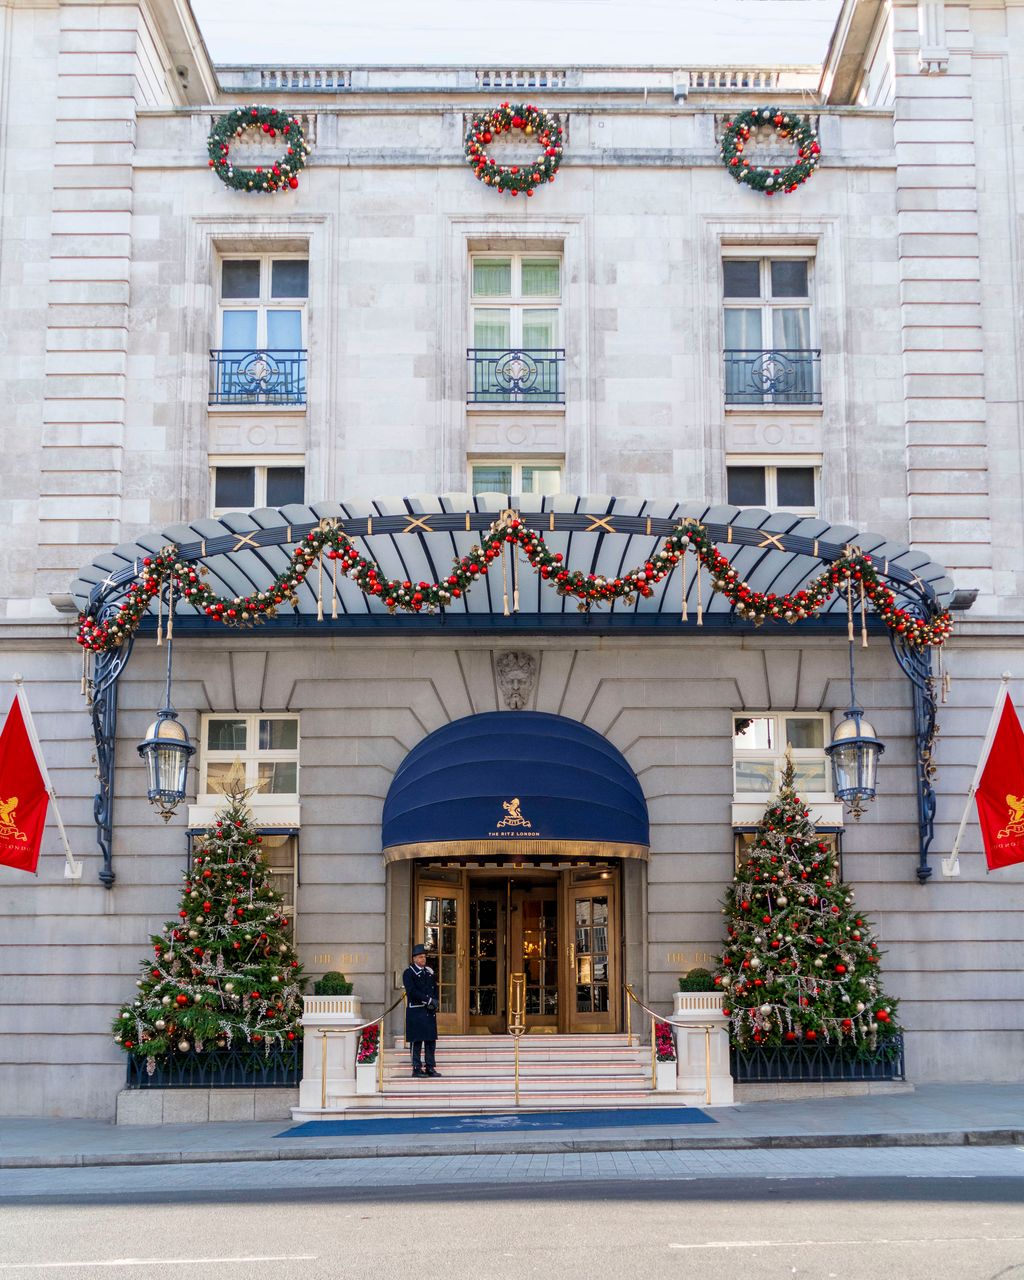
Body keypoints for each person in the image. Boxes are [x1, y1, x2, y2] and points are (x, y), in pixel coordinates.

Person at [403, 943, 441, 1077]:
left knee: (430, 1041)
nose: (423, 959)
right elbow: (412, 992)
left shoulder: (429, 972)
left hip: (428, 1011)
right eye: (420, 957)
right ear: (414, 959)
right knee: (417, 1041)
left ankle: (430, 1067)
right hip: (416, 1011)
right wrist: (428, 1000)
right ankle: (416, 1068)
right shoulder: (409, 973)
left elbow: (434, 989)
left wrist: (435, 1002)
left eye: (424, 957)